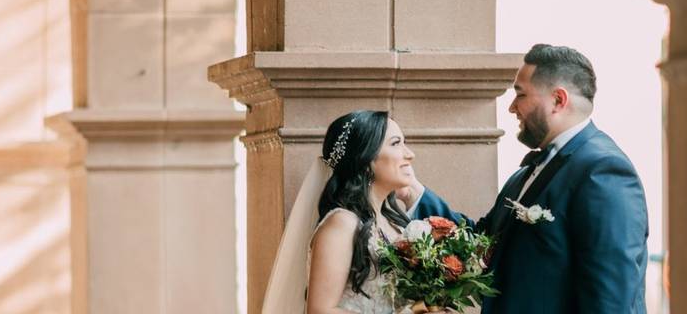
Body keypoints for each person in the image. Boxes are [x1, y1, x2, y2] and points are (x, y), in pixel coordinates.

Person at [404, 44, 649, 313]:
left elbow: (610, 297)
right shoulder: (526, 172)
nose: (511, 107)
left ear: (558, 100)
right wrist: (413, 192)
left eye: (520, 94)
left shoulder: (603, 171)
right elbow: (481, 242)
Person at [262, 110, 423, 314]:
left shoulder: (393, 224)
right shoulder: (343, 223)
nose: (410, 154)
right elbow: (320, 310)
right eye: (395, 143)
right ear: (366, 160)